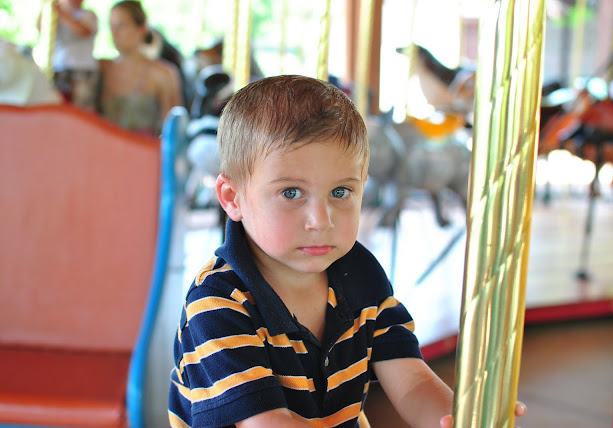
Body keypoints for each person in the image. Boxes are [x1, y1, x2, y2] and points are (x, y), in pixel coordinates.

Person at [168, 75, 527, 428]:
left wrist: (460, 416)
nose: (321, 220)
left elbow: (412, 381)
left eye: (340, 192)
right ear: (233, 198)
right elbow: (266, 422)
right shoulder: (218, 304)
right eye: (291, 193)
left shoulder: (360, 277)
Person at [98, 1, 180, 136]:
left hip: (144, 147)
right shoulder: (101, 68)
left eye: (121, 26)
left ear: (141, 29)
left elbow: (172, 132)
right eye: (111, 27)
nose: (114, 33)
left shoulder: (163, 74)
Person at [37, 0, 99, 110]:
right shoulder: (55, 14)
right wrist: (48, 8)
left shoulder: (88, 14)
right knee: (59, 105)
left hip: (82, 70)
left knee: (81, 107)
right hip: (59, 69)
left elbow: (83, 31)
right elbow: (40, 28)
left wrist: (61, 14)